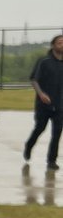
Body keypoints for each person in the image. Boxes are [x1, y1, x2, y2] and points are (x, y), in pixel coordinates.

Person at [23, 33, 63, 171]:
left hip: (60, 105)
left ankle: (51, 161)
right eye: (59, 42)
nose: (62, 44)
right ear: (53, 45)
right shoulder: (44, 61)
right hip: (44, 105)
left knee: (57, 133)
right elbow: (34, 79)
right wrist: (41, 94)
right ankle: (29, 146)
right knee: (40, 128)